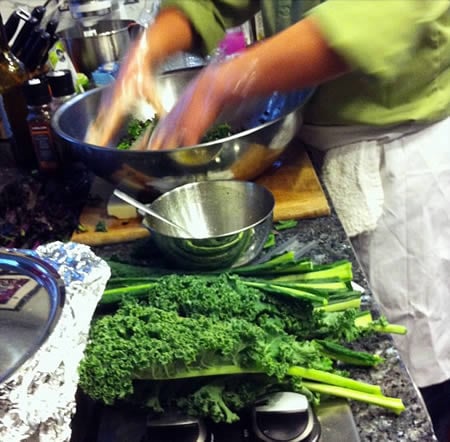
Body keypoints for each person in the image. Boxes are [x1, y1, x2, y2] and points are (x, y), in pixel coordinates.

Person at [87, 1, 450, 440]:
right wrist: (145, 52)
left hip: (397, 163)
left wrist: (219, 84)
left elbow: (377, 17)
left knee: (409, 368)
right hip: (310, 148)